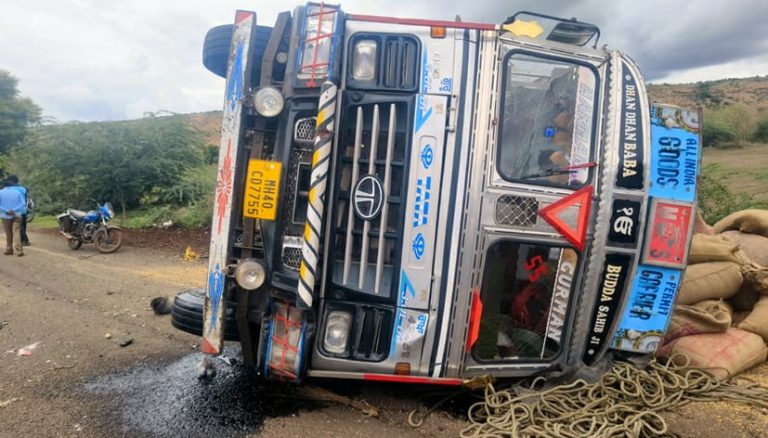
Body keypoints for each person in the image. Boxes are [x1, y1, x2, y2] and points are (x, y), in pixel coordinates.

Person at [0, 178, 26, 256]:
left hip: (5, 215)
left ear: (3, 185)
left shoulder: (0, 192)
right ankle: (19, 250)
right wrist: (14, 210)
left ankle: (9, 249)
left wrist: (7, 210)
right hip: (17, 214)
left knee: (8, 233)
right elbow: (23, 203)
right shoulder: (17, 192)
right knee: (16, 232)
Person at [5, 175, 30, 246]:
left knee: (18, 227)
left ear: (10, 181)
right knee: (23, 226)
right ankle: (22, 240)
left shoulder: (8, 189)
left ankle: (25, 240)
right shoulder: (22, 188)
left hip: (14, 210)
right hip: (23, 209)